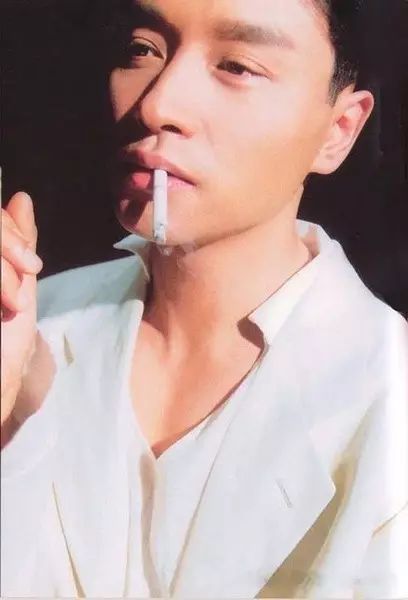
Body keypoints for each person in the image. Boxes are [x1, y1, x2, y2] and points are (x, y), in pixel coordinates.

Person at [1, 0, 407, 597]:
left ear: (338, 130)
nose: (157, 105)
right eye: (142, 49)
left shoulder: (387, 394)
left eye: (237, 66)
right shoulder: (31, 326)